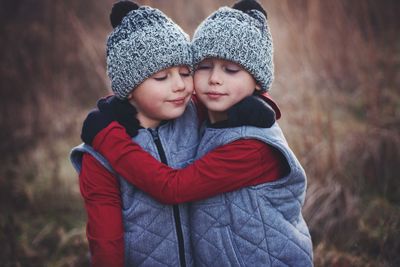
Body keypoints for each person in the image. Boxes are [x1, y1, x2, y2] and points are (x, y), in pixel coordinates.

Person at [80, 0, 313, 266]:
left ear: (257, 81)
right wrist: (111, 108)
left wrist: (107, 135)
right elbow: (142, 84)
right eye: (202, 67)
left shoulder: (252, 147)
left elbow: (172, 188)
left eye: (184, 72)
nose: (214, 79)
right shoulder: (199, 113)